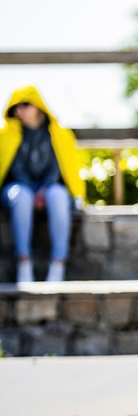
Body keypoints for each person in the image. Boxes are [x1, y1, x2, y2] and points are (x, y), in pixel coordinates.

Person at [0, 87, 84, 283]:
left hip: (49, 188)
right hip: (18, 188)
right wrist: (32, 189)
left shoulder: (59, 134)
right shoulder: (6, 135)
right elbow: (14, 168)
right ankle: (24, 263)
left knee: (58, 195)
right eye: (15, 107)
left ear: (38, 106)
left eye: (25, 104)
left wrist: (44, 188)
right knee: (22, 195)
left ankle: (58, 265)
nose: (20, 110)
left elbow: (59, 168)